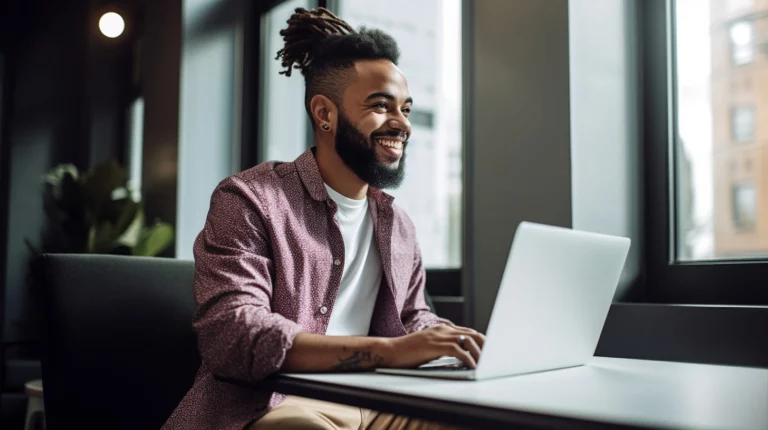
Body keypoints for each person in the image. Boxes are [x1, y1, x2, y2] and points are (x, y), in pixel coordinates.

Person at [163, 7, 483, 430]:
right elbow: (235, 335)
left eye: (405, 109)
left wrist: (460, 342)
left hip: (379, 397)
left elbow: (412, 319)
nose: (401, 124)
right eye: (380, 106)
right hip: (274, 406)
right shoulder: (248, 199)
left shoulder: (398, 224)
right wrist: (390, 351)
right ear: (325, 114)